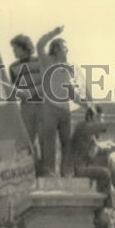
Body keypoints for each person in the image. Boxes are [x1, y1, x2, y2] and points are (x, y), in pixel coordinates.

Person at [36, 27, 79, 177]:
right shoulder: (48, 61)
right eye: (65, 48)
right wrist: (53, 33)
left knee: (67, 142)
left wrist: (88, 104)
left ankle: (66, 172)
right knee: (49, 142)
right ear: (56, 49)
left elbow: (72, 93)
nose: (67, 51)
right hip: (50, 107)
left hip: (65, 110)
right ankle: (49, 172)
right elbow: (40, 45)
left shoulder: (67, 69)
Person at [8, 34, 45, 168]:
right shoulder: (13, 67)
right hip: (26, 106)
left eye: (16, 48)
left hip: (43, 105)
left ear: (25, 48)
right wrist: (15, 91)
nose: (13, 51)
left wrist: (32, 91)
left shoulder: (40, 61)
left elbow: (48, 83)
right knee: (26, 140)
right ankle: (29, 169)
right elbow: (15, 87)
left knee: (44, 140)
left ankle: (45, 171)